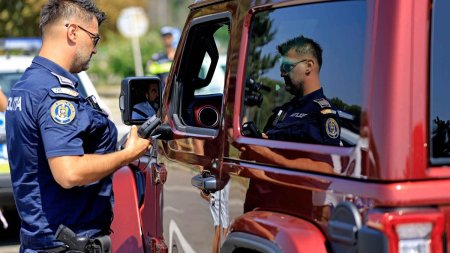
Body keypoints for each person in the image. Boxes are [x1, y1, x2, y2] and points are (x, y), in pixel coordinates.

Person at [5, 1, 151, 252]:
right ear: (72, 32)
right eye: (94, 38)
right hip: (67, 243)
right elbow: (69, 172)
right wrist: (127, 155)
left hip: (43, 240)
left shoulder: (27, 84)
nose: (95, 49)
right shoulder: (54, 94)